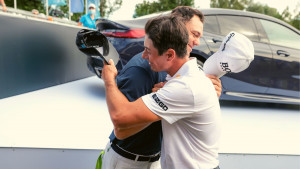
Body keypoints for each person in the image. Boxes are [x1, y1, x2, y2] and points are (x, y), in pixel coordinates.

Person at [99, 6, 222, 169]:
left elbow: (187, 95)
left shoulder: (188, 82)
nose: (196, 41)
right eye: (194, 34)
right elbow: (121, 128)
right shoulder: (141, 70)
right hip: (127, 161)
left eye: (148, 50)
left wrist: (109, 80)